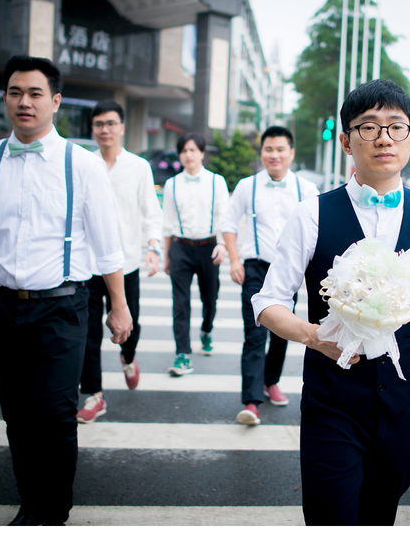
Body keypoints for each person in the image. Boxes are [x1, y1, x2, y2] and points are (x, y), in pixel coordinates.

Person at [252, 79, 410, 526]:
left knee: (378, 519)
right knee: (331, 521)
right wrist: (312, 335)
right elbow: (268, 302)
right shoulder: (312, 214)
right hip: (332, 402)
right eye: (368, 127)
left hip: (404, 405)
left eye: (395, 126)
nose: (384, 138)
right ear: (347, 141)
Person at [0, 55, 132, 526]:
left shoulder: (82, 164)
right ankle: (31, 502)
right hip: (2, 308)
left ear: (55, 101)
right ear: (5, 99)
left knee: (55, 413)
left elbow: (106, 244)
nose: (24, 102)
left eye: (35, 93)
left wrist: (119, 306)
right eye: (15, 93)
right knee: (17, 415)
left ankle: (52, 512)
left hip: (63, 307)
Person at [222, 126, 319, 426]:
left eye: (280, 149)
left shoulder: (306, 189)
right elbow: (228, 224)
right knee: (254, 334)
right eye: (268, 149)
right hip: (255, 267)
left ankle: (270, 381)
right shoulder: (246, 186)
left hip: (289, 272)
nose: (274, 155)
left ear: (291, 153)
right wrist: (234, 260)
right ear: (261, 152)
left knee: (282, 332)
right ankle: (251, 402)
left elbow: (317, 231)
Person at [75, 100, 163, 424]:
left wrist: (153, 247)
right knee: (86, 333)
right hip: (86, 265)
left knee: (129, 325)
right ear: (92, 129)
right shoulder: (83, 164)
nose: (105, 130)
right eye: (99, 124)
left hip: (126, 264)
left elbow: (151, 212)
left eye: (111, 123)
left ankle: (128, 357)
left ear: (122, 127)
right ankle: (94, 395)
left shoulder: (138, 167)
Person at [162, 133, 229, 376]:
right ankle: (182, 354)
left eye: (192, 150)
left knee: (210, 298)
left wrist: (222, 244)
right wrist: (166, 256)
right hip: (180, 247)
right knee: (180, 303)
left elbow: (223, 217)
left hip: (208, 247)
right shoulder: (171, 184)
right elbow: (167, 222)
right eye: (183, 151)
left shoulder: (216, 182)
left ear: (202, 153)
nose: (188, 155)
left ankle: (206, 330)